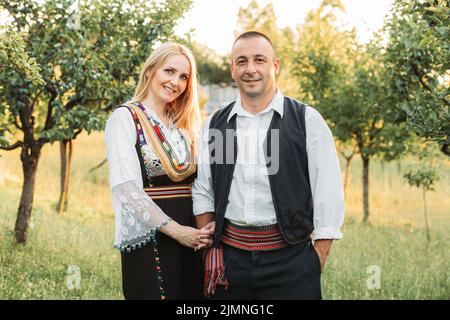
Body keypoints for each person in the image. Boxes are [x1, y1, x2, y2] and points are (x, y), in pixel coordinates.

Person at [193, 31, 345, 300]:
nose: (250, 69)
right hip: (230, 263)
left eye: (259, 60)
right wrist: (209, 251)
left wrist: (315, 260)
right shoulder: (216, 125)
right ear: (232, 69)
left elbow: (328, 193)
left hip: (291, 262)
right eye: (241, 61)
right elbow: (204, 191)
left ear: (275, 65)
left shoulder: (306, 120)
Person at [104, 42, 213, 300]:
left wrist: (204, 228)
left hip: (192, 234)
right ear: (150, 71)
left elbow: (202, 182)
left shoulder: (182, 125)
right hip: (153, 235)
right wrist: (177, 231)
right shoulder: (124, 118)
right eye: (169, 71)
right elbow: (126, 189)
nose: (176, 81)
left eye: (184, 77)